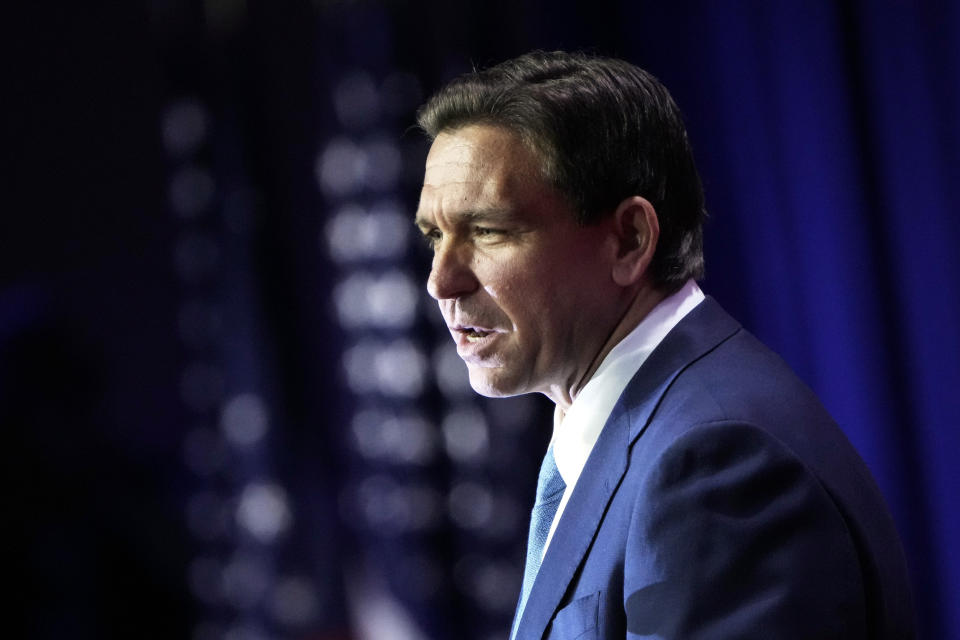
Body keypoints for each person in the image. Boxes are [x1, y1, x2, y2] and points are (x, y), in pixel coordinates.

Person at [413, 51, 915, 639]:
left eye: (489, 231)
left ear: (629, 239)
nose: (441, 281)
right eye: (434, 235)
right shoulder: (645, 429)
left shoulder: (714, 464)